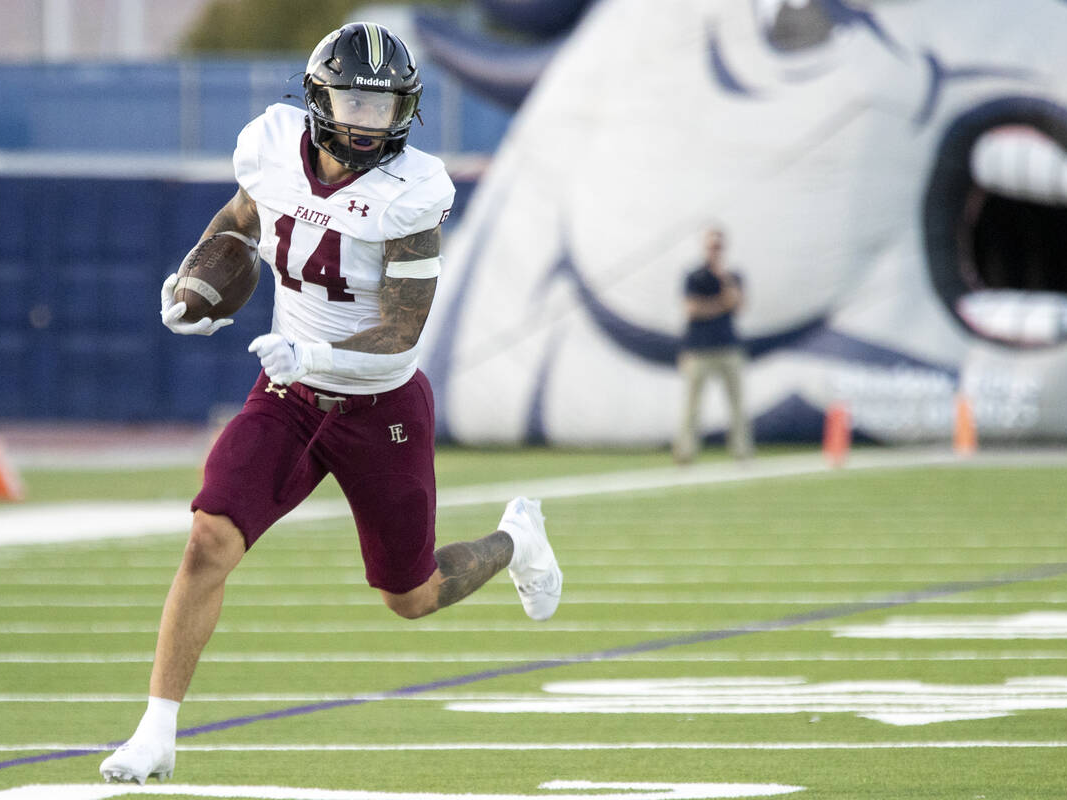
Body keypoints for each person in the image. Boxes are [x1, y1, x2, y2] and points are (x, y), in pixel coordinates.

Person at [99, 22, 562, 785]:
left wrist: (314, 352)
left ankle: (517, 540)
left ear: (404, 111)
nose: (365, 121)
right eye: (351, 100)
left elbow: (405, 329)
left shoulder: (412, 192)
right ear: (317, 99)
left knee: (409, 597)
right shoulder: (273, 145)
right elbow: (243, 219)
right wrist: (195, 283)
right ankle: (156, 732)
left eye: (381, 107)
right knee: (208, 538)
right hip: (287, 396)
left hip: (380, 407)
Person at [672, 226, 751, 464]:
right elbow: (692, 309)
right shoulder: (694, 276)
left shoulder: (732, 276)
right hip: (698, 349)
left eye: (718, 246)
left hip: (728, 346)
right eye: (711, 245)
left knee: (737, 404)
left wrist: (722, 279)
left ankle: (742, 450)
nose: (714, 250)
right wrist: (719, 305)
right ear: (704, 247)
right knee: (692, 406)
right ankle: (685, 452)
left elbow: (737, 305)